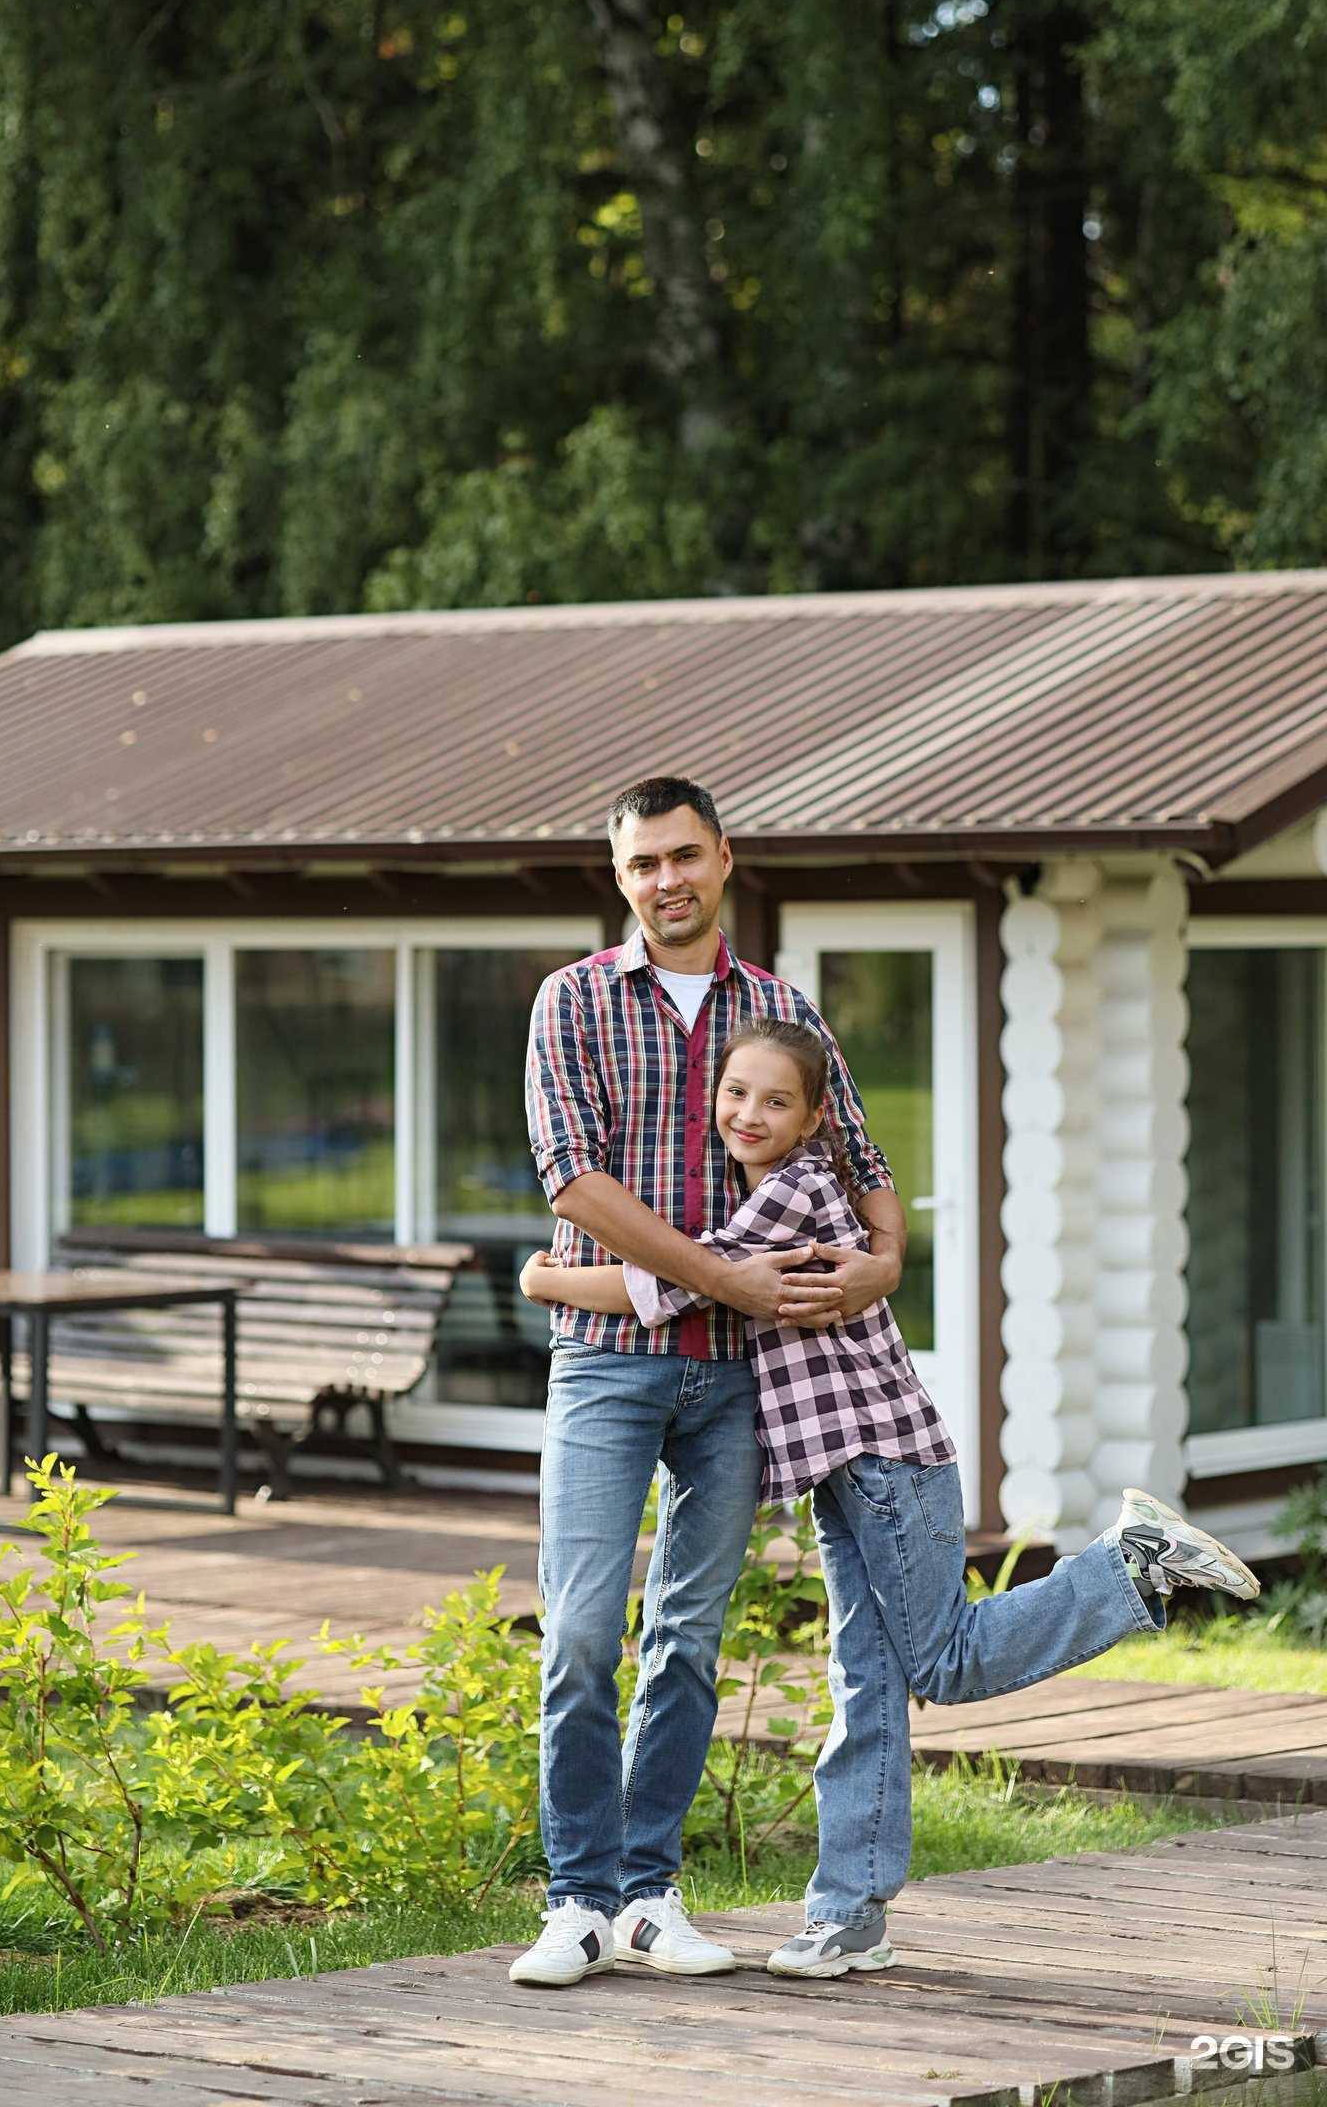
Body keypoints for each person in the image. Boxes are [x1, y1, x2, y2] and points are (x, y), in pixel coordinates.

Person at [519, 1014, 1261, 1978]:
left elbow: (685, 1285)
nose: (749, 1113)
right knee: (865, 1680)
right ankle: (850, 1915)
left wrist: (546, 1280)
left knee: (941, 1661)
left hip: (883, 1459)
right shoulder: (768, 1181)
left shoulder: (795, 1191)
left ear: (816, 1116)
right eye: (736, 1093)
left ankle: (1129, 1570)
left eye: (776, 1100)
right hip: (844, 1469)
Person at [512, 775, 909, 1988]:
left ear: (724, 859)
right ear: (620, 877)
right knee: (580, 1632)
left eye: (685, 857)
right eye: (644, 865)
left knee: (686, 1637)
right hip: (609, 1371)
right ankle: (574, 1900)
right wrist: (726, 1280)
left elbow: (861, 1154)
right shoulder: (572, 1001)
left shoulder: (781, 1008)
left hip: (741, 1382)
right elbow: (572, 1185)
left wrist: (880, 1264)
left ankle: (646, 1896)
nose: (667, 881)